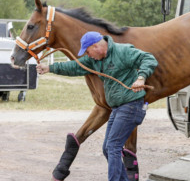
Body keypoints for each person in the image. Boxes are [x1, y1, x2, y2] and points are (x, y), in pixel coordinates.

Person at [36, 31, 157, 181]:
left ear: (96, 46)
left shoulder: (122, 51)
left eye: (88, 51)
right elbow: (75, 66)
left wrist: (141, 77)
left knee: (113, 147)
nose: (88, 55)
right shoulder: (95, 60)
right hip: (117, 109)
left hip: (131, 106)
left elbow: (148, 58)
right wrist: (50, 68)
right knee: (108, 148)